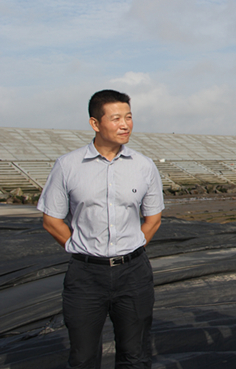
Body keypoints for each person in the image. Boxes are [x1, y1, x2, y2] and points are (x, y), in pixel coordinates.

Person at [37, 89, 164, 368]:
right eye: (116, 118)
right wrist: (80, 247)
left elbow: (153, 219)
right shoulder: (67, 166)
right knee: (83, 357)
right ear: (95, 123)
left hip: (134, 274)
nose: (125, 125)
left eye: (128, 117)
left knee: (135, 355)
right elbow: (52, 220)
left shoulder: (144, 166)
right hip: (86, 276)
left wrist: (131, 247)